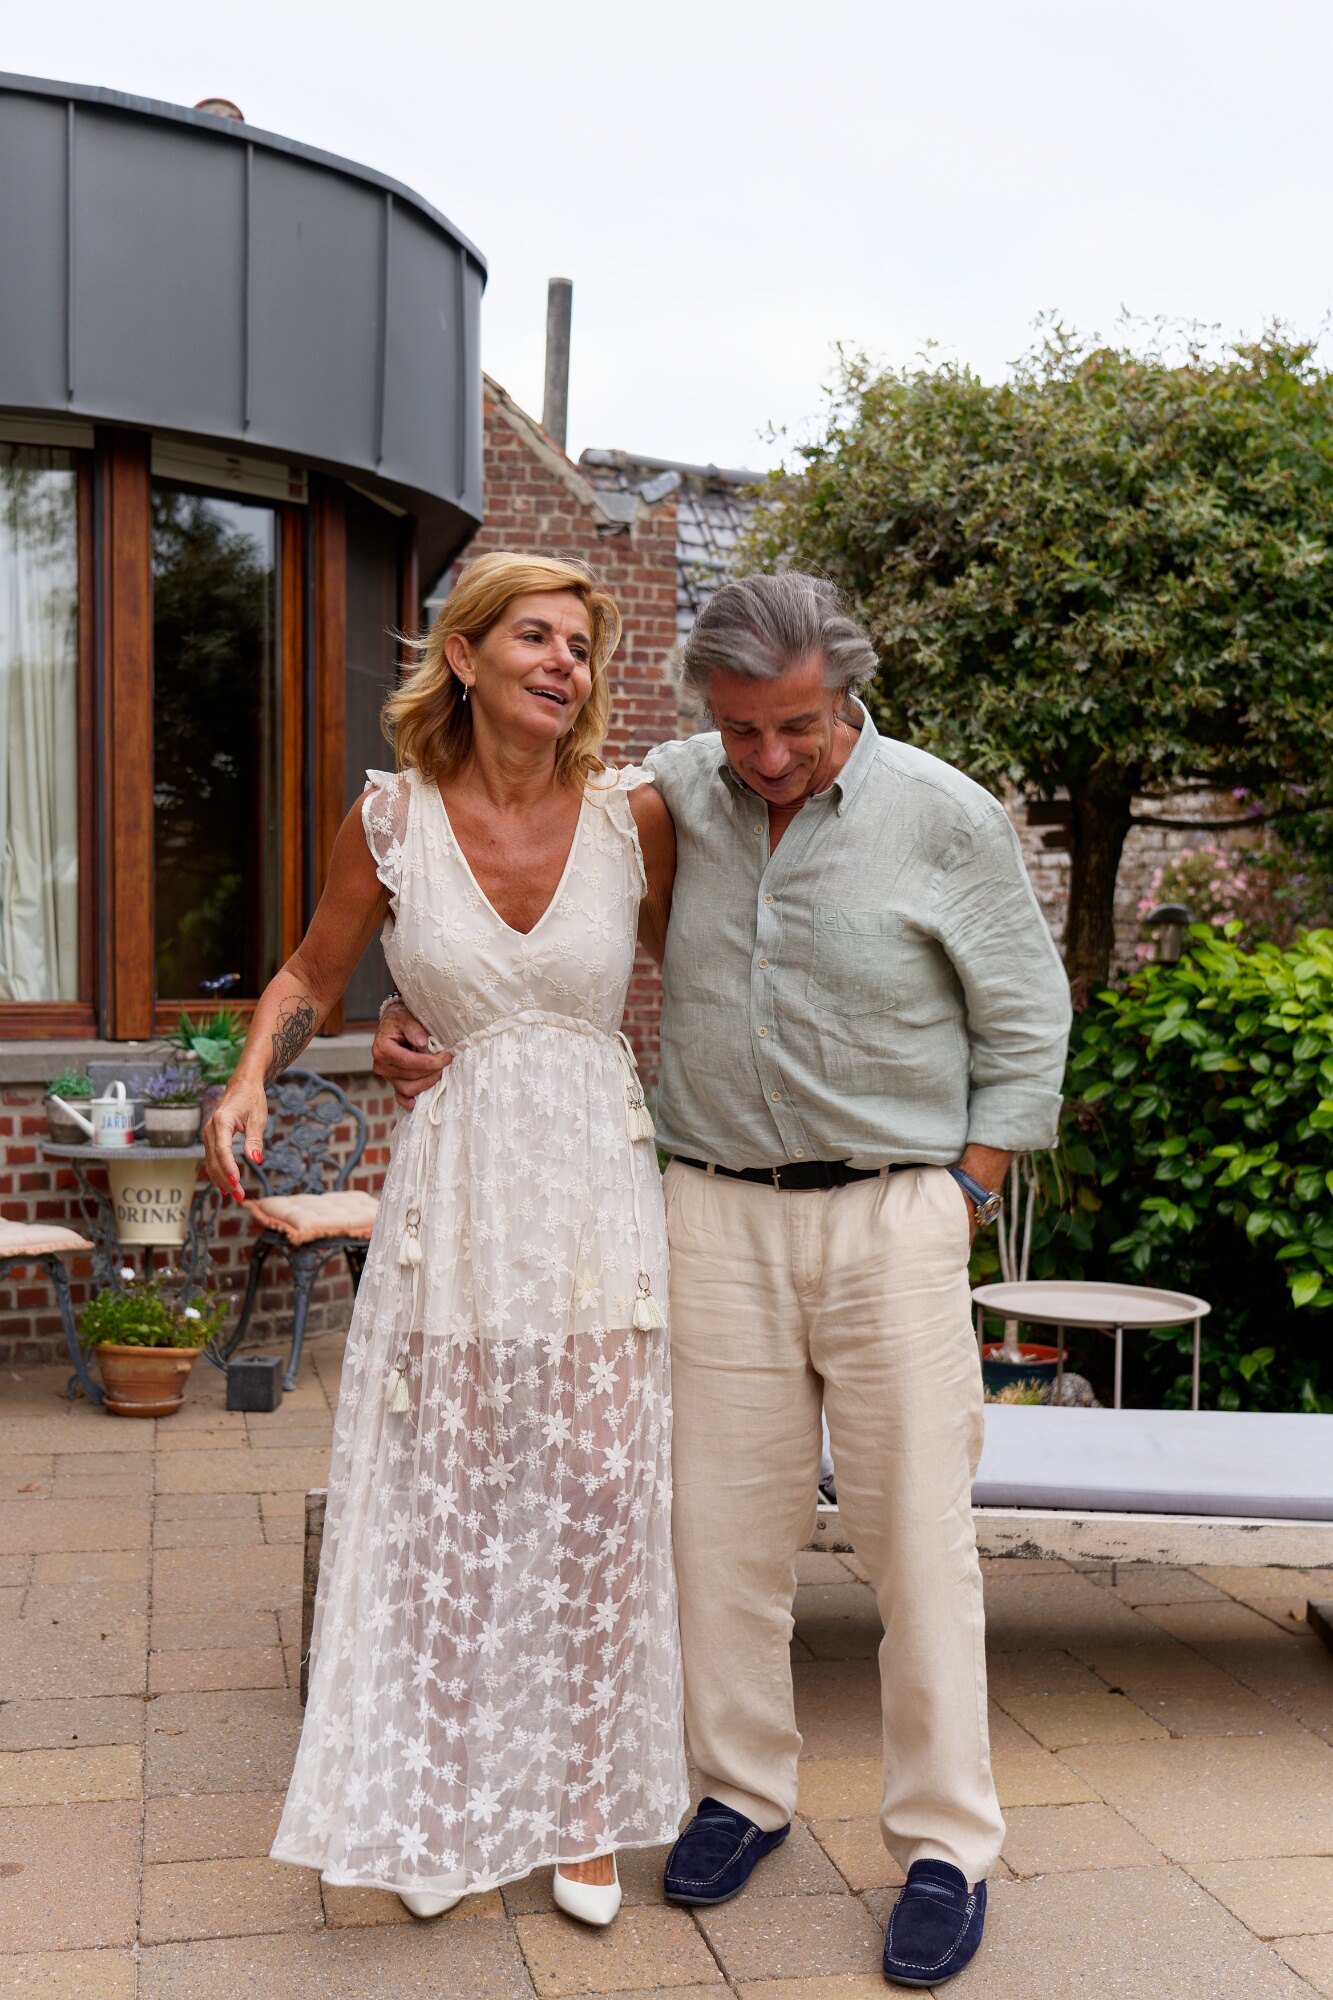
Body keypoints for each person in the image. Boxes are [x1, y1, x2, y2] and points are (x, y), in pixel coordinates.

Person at [375, 571, 1071, 1986]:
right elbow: (519, 903)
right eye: (741, 727)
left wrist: (965, 1194)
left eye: (797, 727)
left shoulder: (943, 815)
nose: (766, 755)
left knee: (917, 1545)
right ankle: (740, 1795)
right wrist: (415, 1007)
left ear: (845, 696)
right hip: (706, 1212)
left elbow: (1026, 1019)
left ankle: (943, 1846)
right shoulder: (669, 793)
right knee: (716, 1540)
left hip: (891, 1215)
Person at [204, 551, 688, 1928]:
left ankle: (582, 1806)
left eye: (579, 648)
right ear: (463, 658)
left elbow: (711, 958)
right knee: (452, 1492)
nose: (563, 665)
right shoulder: (391, 821)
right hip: (458, 1193)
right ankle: (439, 1799)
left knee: (598, 1486)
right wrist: (255, 1075)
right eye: (534, 638)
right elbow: (309, 970)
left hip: (594, 1189)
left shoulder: (634, 819)